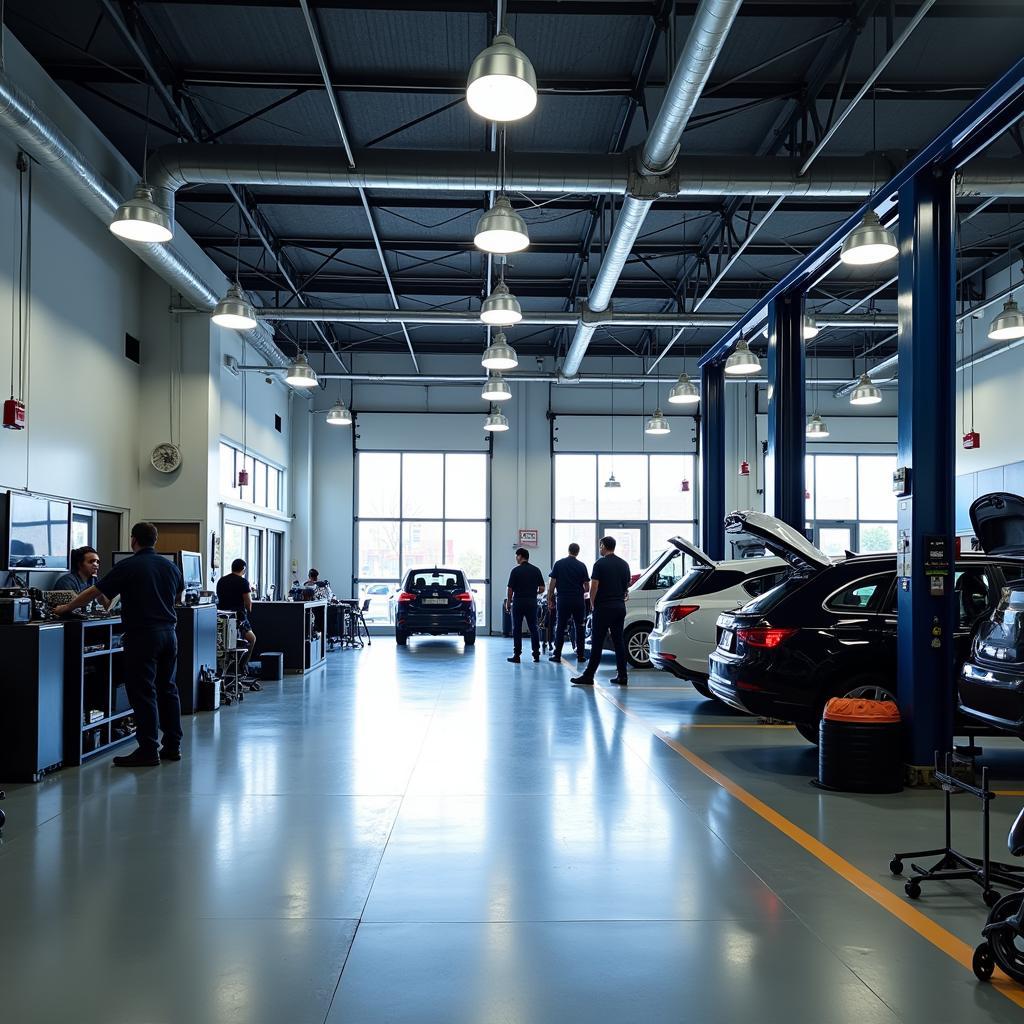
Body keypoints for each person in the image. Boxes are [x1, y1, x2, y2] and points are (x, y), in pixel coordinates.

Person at [55, 522, 185, 767]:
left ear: (133, 540)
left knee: (143, 691)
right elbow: (178, 596)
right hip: (170, 634)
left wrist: (65, 608)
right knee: (168, 689)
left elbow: (94, 592)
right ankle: (173, 746)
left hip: (143, 636)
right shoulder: (171, 566)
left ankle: (148, 749)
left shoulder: (128, 566)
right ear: (154, 541)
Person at [571, 535, 631, 687]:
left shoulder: (599, 564)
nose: (599, 549)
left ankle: (588, 676)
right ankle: (622, 676)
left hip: (604, 608)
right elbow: (626, 588)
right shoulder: (624, 565)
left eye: (600, 546)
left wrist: (592, 604)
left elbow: (594, 586)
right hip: (619, 608)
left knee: (597, 643)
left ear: (603, 546)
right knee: (619, 642)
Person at [547, 542, 589, 663]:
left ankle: (557, 655)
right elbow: (587, 586)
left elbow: (552, 584)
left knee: (560, 626)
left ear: (568, 550)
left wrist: (550, 599)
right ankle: (580, 655)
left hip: (563, 600)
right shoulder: (582, 566)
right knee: (580, 627)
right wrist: (582, 593)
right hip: (578, 600)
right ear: (578, 552)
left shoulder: (559, 564)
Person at [505, 547, 545, 664]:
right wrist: (534, 592)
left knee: (516, 628)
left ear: (520, 556)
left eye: (516, 556)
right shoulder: (536, 570)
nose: (516, 558)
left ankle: (517, 656)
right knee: (533, 628)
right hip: (531, 602)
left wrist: (508, 601)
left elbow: (510, 589)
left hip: (518, 602)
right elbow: (542, 588)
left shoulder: (515, 571)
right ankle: (536, 654)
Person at [217, 557, 257, 671]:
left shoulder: (221, 581)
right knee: (252, 639)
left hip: (222, 621)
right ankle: (242, 667)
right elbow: (249, 605)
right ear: (243, 569)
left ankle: (227, 669)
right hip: (238, 620)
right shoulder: (243, 582)